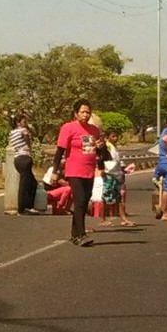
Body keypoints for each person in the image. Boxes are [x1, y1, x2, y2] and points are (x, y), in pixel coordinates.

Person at [51, 100, 110, 247]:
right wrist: (55, 171)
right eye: (82, 112)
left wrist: (101, 150)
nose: (85, 115)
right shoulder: (68, 128)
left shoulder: (94, 130)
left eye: (88, 112)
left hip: (89, 170)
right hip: (74, 170)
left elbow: (103, 154)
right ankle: (81, 234)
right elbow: (59, 151)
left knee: (84, 202)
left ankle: (75, 234)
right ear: (76, 113)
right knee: (80, 200)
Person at [8, 113, 38, 215]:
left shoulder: (12, 133)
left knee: (32, 183)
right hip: (24, 157)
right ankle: (22, 207)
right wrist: (29, 147)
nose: (26, 124)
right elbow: (26, 135)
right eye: (24, 122)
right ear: (18, 123)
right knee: (24, 184)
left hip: (17, 159)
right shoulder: (23, 130)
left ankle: (28, 206)